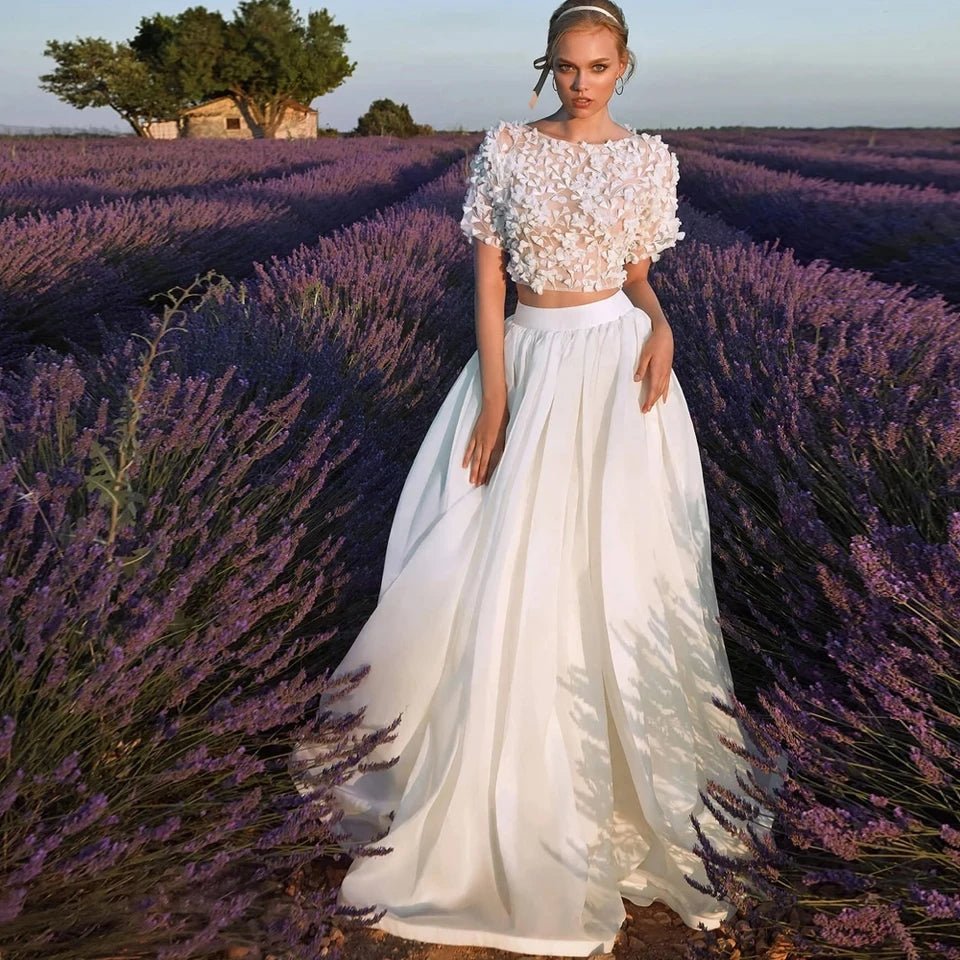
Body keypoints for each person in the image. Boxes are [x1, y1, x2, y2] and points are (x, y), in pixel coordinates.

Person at [289, 2, 780, 955]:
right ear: (547, 66)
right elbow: (489, 284)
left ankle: (622, 784)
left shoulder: (648, 159)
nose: (582, 82)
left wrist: (664, 320)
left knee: (628, 573)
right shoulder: (507, 149)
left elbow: (637, 276)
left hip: (622, 371)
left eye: (598, 66)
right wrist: (496, 401)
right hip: (528, 361)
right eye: (567, 66)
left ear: (624, 65)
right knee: (482, 557)